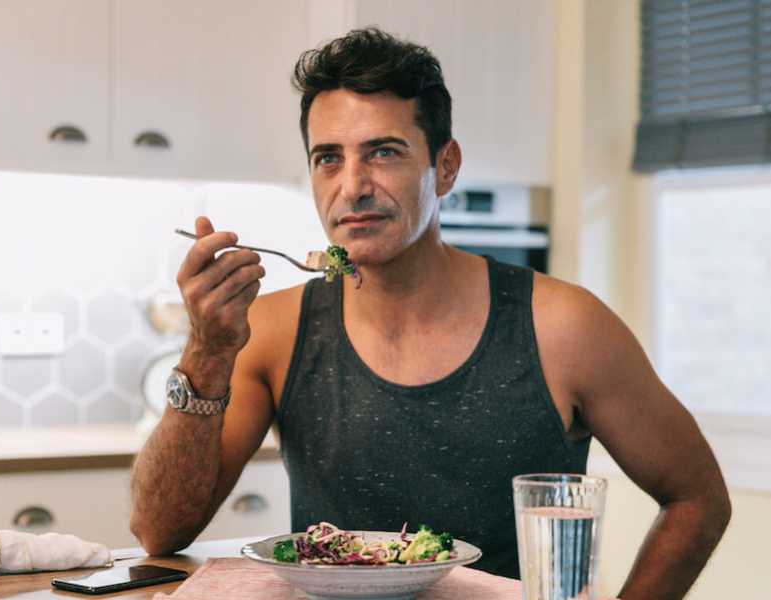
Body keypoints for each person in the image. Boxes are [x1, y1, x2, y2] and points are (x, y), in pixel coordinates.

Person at [129, 28, 730, 598]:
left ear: (445, 166)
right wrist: (206, 349)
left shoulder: (564, 326)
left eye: (383, 152)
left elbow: (697, 498)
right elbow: (160, 532)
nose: (353, 186)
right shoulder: (274, 331)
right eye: (328, 158)